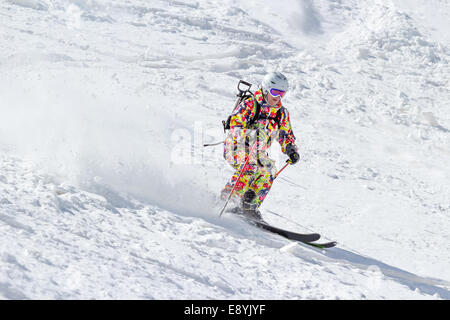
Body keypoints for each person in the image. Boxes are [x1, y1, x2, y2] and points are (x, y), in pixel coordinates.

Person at [221, 72, 300, 220]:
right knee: (250, 166)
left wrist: (290, 149)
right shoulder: (251, 104)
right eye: (275, 92)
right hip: (236, 147)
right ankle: (228, 199)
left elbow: (285, 134)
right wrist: (252, 135)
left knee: (268, 170)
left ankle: (249, 206)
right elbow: (235, 126)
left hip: (257, 153)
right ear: (265, 89)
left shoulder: (281, 113)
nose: (278, 97)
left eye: (282, 93)